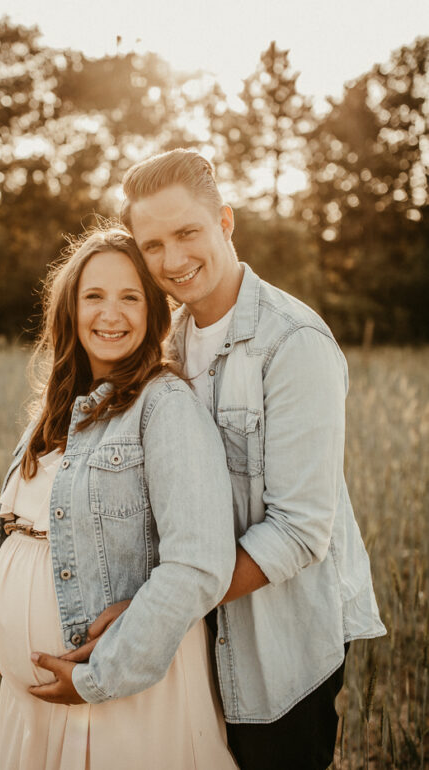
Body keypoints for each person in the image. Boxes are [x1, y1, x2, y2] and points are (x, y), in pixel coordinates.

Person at [65, 150, 386, 770]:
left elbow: (298, 531)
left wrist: (160, 607)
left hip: (280, 637)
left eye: (188, 233)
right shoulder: (163, 344)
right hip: (189, 632)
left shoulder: (294, 344)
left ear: (226, 223)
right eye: (152, 244)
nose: (173, 260)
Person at [0, 227, 239, 769]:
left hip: (121, 692)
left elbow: (197, 564)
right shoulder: (54, 410)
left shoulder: (164, 407)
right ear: (70, 309)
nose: (110, 314)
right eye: (94, 296)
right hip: (36, 701)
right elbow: (21, 527)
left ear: (153, 313)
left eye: (130, 297)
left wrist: (101, 677)